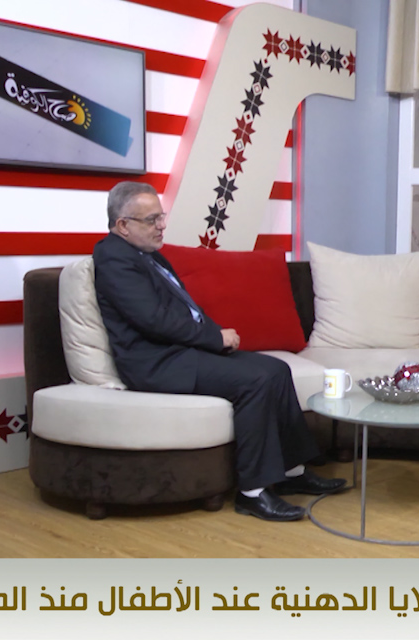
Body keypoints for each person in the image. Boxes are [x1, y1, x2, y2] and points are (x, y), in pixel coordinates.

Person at [92, 181, 344, 521]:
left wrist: (213, 334)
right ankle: (252, 492)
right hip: (157, 363)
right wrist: (214, 338)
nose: (161, 226)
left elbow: (184, 310)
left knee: (276, 370)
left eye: (161, 217)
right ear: (123, 225)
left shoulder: (147, 255)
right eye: (151, 220)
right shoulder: (113, 258)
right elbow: (153, 320)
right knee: (255, 381)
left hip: (181, 352)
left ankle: (291, 472)